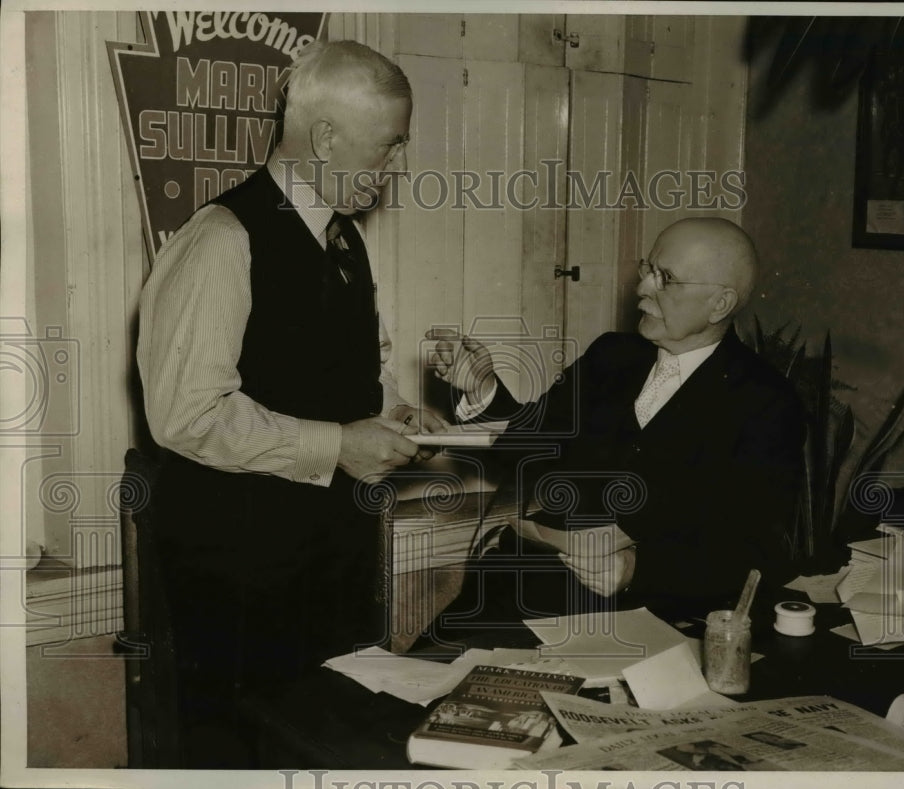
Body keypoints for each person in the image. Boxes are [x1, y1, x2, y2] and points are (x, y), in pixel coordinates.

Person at [136, 40, 444, 766]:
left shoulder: (345, 240)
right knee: (246, 754)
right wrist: (340, 444)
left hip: (330, 563)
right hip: (240, 580)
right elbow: (185, 415)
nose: (394, 167)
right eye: (387, 148)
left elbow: (347, 373)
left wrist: (393, 413)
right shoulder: (221, 239)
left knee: (330, 745)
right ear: (327, 136)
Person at [424, 217, 806, 637]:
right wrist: (482, 387)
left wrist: (635, 570)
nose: (643, 288)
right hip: (521, 591)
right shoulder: (611, 355)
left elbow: (755, 552)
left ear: (720, 304)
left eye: (666, 278)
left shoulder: (766, 402)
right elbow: (533, 442)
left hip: (647, 618)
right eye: (648, 269)